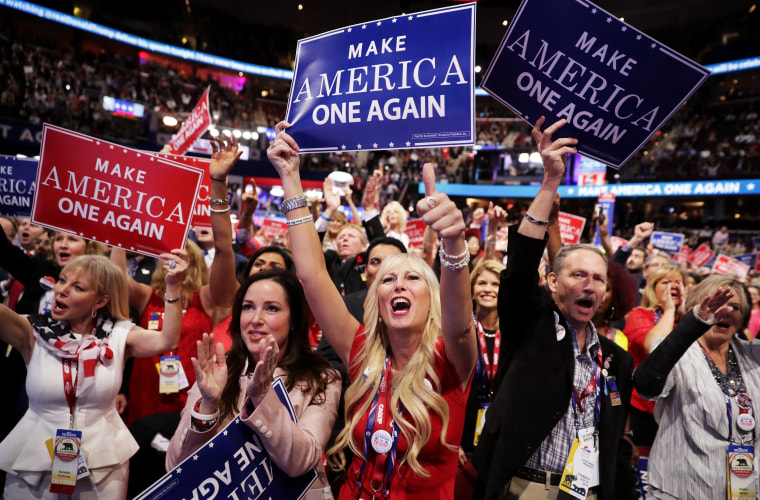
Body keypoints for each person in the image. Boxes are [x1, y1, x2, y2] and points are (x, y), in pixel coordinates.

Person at [267, 121, 477, 499]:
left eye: (413, 279)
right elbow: (312, 276)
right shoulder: (360, 346)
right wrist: (291, 178)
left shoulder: (453, 358)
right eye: (387, 280)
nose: (398, 284)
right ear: (376, 302)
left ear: (432, 300)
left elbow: (461, 328)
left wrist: (453, 242)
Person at [471, 117, 633, 500]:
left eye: (598, 279)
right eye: (578, 274)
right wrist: (549, 182)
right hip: (525, 488)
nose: (589, 285)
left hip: (585, 493)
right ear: (554, 282)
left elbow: (614, 446)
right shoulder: (531, 326)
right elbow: (521, 265)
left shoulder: (617, 360)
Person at [0, 252, 184, 499]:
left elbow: (167, 339)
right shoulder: (32, 332)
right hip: (32, 460)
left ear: (100, 301)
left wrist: (173, 286)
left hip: (104, 463)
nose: (62, 290)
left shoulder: (119, 336)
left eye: (77, 287)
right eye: (62, 280)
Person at [166, 270, 341, 499]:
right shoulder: (217, 370)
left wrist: (263, 396)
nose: (255, 319)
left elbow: (300, 462)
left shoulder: (322, 378)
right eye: (248, 307)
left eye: (272, 308)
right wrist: (208, 405)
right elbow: (175, 467)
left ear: (294, 321)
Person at [633, 276, 754, 499]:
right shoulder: (675, 352)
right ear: (697, 310)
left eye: (735, 307)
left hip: (742, 490)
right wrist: (693, 324)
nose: (725, 311)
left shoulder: (753, 355)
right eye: (717, 304)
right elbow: (645, 385)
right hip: (679, 490)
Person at [624, 265, 686, 449]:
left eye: (678, 282)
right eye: (666, 282)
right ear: (652, 289)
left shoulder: (691, 320)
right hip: (642, 411)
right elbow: (654, 347)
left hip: (678, 411)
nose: (673, 286)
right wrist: (669, 311)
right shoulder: (640, 314)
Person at [459, 260, 505, 463]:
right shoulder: (460, 330)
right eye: (482, 283)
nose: (488, 289)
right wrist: (449, 441)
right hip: (461, 435)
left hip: (501, 436)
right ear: (472, 288)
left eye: (495, 284)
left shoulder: (514, 333)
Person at [592, 260, 639, 349]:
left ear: (615, 296)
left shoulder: (620, 339)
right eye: (594, 286)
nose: (599, 293)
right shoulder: (560, 330)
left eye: (606, 289)